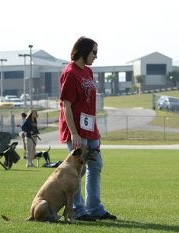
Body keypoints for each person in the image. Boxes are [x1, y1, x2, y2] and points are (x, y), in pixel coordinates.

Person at [59, 36, 117, 221]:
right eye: (94, 52)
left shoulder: (88, 72)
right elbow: (65, 105)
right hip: (75, 130)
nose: (96, 56)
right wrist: (74, 133)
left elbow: (88, 105)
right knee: (77, 170)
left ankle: (94, 208)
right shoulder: (70, 72)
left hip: (90, 128)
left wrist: (95, 131)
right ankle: (78, 209)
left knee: (96, 165)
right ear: (83, 51)